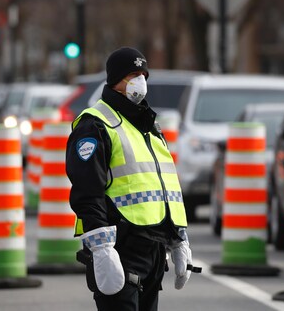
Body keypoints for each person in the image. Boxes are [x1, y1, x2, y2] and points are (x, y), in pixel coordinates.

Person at [67, 47, 195, 311]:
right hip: (120, 250)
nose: (141, 81)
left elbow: (163, 188)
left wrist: (178, 239)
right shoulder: (95, 124)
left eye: (143, 74)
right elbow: (87, 192)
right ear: (116, 80)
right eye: (134, 74)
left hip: (153, 253)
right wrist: (102, 249)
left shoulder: (148, 126)